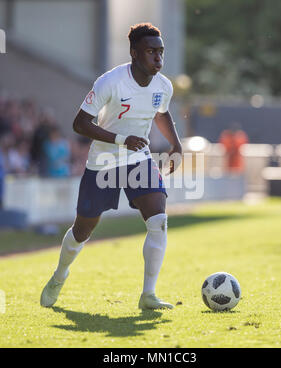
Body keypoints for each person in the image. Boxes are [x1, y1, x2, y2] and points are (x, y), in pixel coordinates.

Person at [40, 23, 182, 310]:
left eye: (161, 52)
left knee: (158, 221)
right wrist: (120, 139)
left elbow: (161, 114)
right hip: (103, 163)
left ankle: (148, 294)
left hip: (138, 160)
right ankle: (59, 275)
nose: (158, 58)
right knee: (82, 230)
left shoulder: (163, 85)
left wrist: (176, 145)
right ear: (133, 53)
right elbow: (80, 124)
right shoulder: (110, 81)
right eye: (151, 51)